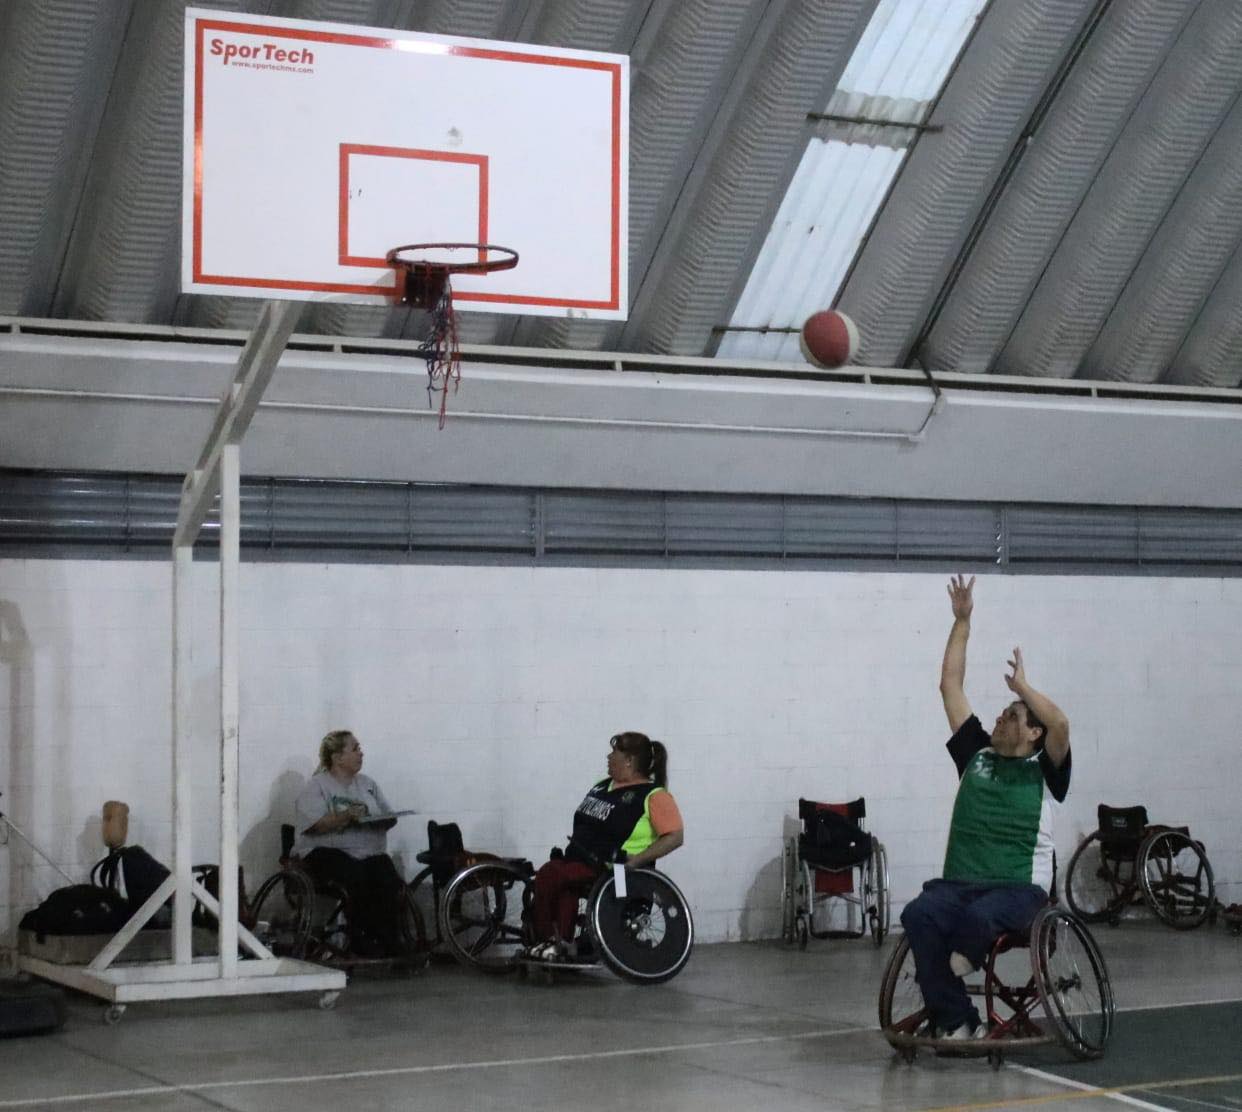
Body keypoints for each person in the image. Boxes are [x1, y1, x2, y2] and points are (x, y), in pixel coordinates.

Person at [900, 575, 1071, 1040]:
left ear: (1032, 732)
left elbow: (1059, 721)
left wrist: (1024, 689)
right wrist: (962, 622)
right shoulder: (976, 754)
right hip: (960, 883)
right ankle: (957, 1019)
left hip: (1018, 890)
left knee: (976, 922)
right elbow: (949, 685)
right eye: (1003, 711)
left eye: (1012, 716)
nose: (1000, 717)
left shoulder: (1046, 769)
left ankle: (956, 968)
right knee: (918, 914)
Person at [527, 732, 685, 960]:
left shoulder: (653, 796)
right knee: (564, 886)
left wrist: (636, 860)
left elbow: (675, 836)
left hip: (616, 869)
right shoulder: (602, 786)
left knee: (550, 874)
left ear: (629, 760)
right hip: (580, 860)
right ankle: (559, 944)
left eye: (614, 753)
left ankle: (546, 941)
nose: (608, 757)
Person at [293, 729, 405, 956]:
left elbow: (387, 815)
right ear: (337, 757)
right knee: (356, 875)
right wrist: (346, 817)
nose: (361, 753)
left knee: (388, 877)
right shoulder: (317, 786)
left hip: (368, 853)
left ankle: (390, 940)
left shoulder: (367, 784)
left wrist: (383, 820)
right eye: (355, 749)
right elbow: (314, 825)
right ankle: (361, 937)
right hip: (326, 852)